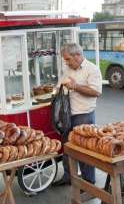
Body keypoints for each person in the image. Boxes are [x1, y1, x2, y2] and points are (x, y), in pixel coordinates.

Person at [53, 43, 102, 186]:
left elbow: (96, 92)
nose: (66, 62)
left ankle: (88, 181)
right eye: (65, 60)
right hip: (67, 115)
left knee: (84, 150)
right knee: (67, 147)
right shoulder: (67, 68)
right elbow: (60, 84)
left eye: (68, 59)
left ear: (78, 56)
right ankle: (68, 176)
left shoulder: (92, 69)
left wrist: (76, 86)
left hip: (84, 115)